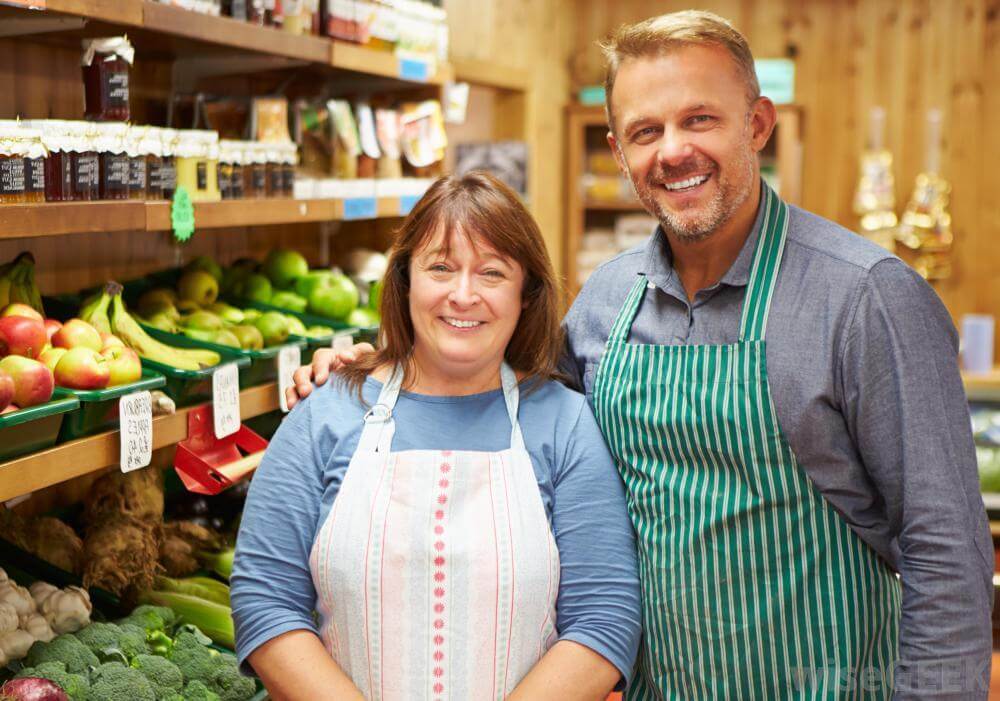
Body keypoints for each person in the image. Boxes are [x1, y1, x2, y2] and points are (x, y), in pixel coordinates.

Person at [289, 10, 993, 700]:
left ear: (757, 124)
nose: (672, 151)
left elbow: (946, 552)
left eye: (700, 119)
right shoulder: (604, 300)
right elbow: (493, 405)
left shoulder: (867, 298)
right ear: (619, 152)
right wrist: (374, 374)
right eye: (645, 132)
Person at [231, 171, 642, 701]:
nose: (463, 294)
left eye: (492, 272)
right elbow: (266, 600)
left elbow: (604, 618)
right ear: (404, 283)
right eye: (440, 268)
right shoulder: (326, 415)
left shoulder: (565, 424)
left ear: (526, 293)